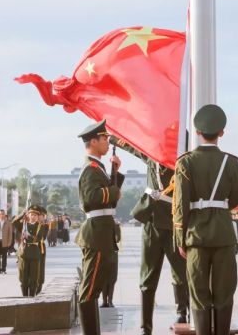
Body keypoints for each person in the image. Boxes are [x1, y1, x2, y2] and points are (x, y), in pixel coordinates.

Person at [172, 104, 238, 335]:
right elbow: (236, 198)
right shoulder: (231, 162)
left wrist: (180, 238)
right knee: (224, 293)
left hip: (196, 235)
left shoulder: (185, 162)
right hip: (223, 234)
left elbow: (181, 204)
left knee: (199, 294)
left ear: (198, 133)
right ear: (221, 133)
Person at [109, 136, 189, 333]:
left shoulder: (184, 161)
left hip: (174, 225)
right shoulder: (151, 157)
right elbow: (132, 144)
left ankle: (182, 313)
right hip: (151, 225)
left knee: (180, 275)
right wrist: (113, 136)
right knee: (147, 279)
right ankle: (146, 325)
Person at [75, 120, 124, 335]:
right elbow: (91, 198)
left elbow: (109, 199)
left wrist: (115, 173)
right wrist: (114, 191)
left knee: (95, 287)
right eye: (104, 138)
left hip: (103, 232)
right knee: (89, 289)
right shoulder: (90, 168)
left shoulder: (99, 168)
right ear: (93, 141)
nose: (107, 142)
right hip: (96, 234)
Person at [12, 205, 45, 297]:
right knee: (23, 278)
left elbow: (37, 239)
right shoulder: (23, 224)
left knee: (34, 278)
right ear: (28, 215)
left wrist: (27, 235)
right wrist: (22, 214)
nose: (33, 216)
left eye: (35, 215)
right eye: (31, 214)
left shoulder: (40, 226)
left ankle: (31, 297)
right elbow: (14, 222)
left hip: (34, 254)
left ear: (38, 217)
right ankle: (24, 296)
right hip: (23, 254)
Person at [101, 221, 121, 308]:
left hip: (112, 254)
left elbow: (117, 239)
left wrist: (115, 229)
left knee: (112, 279)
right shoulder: (98, 224)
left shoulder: (115, 225)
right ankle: (104, 301)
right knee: (103, 279)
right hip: (101, 254)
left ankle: (110, 301)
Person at [0, 210, 13, 274]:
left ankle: (3, 269)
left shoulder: (8, 223)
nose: (1, 215)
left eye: (3, 214)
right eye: (0, 214)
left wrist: (9, 242)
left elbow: (10, 234)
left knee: (4, 257)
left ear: (5, 215)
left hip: (5, 242)